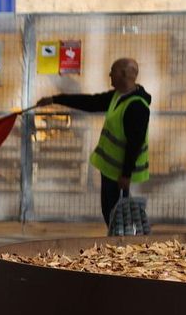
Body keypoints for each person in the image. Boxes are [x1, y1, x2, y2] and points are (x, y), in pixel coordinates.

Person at [36, 57, 151, 227]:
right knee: (111, 212)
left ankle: (122, 245)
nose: (110, 74)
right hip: (110, 170)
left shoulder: (137, 106)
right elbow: (90, 102)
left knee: (121, 215)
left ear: (125, 75)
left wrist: (126, 174)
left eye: (113, 71)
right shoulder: (118, 96)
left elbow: (135, 143)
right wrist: (55, 99)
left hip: (123, 174)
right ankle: (117, 243)